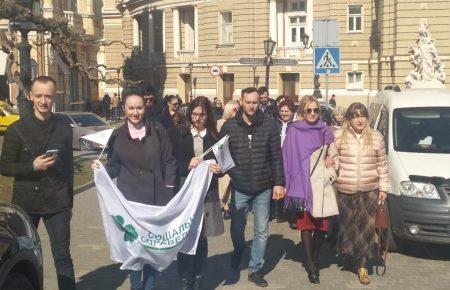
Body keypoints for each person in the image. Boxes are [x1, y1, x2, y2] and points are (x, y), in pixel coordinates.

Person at [93, 91, 177, 290]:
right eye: (131, 108)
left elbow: (170, 161)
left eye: (139, 107)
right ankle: (135, 286)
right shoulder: (117, 135)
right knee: (134, 250)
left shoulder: (157, 130)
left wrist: (169, 190)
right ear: (124, 109)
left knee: (151, 251)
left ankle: (149, 287)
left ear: (145, 108)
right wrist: (101, 169)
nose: (135, 112)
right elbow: (115, 165)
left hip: (155, 201)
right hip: (129, 202)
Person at [0, 76, 76, 289]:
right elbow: (4, 166)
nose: (43, 101)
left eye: (48, 96)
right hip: (26, 203)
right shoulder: (17, 129)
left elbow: (68, 167)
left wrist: (69, 203)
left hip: (57, 201)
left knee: (63, 257)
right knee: (24, 254)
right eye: (39, 96)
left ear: (54, 98)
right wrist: (32, 166)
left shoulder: (64, 128)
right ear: (31, 96)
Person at [219, 87, 285, 287]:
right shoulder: (230, 126)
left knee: (262, 230)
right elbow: (220, 154)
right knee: (237, 228)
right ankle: (239, 249)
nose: (251, 106)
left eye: (255, 102)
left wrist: (279, 183)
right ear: (241, 102)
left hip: (263, 186)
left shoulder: (270, 125)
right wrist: (222, 171)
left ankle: (255, 268)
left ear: (260, 102)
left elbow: (276, 156)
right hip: (240, 186)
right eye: (248, 102)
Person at [168, 96, 225, 290]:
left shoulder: (214, 137)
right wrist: (186, 165)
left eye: (202, 114)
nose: (198, 118)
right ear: (189, 113)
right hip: (185, 192)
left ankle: (199, 280)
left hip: (207, 193)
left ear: (208, 115)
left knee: (201, 238)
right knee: (184, 236)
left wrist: (220, 169)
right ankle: (185, 281)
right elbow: (169, 163)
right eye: (194, 114)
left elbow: (225, 164)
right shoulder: (177, 134)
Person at [282, 95, 338, 284]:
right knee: (306, 225)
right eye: (309, 110)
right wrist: (287, 183)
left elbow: (334, 157)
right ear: (302, 112)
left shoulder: (325, 131)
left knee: (322, 227)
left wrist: (330, 171)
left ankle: (314, 255)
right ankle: (311, 265)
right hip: (302, 184)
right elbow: (287, 157)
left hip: (321, 185)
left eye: (316, 110)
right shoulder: (294, 131)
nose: (313, 113)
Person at [334, 102, 389, 285]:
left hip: (369, 190)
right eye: (355, 116)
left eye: (362, 115)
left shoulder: (376, 137)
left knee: (366, 229)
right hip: (345, 189)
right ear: (349, 119)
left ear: (367, 118)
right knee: (347, 228)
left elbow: (382, 165)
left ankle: (363, 266)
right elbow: (334, 161)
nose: (359, 119)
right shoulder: (338, 137)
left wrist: (383, 188)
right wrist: (332, 173)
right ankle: (348, 256)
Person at [216, 100, 240, 220]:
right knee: (225, 183)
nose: (237, 111)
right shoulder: (220, 122)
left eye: (238, 109)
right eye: (235, 109)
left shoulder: (240, 123)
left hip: (237, 156)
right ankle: (225, 206)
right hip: (224, 156)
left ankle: (231, 205)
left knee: (233, 183)